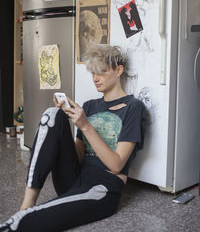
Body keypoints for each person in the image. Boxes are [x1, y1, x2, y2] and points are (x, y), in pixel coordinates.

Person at [0, 44, 146, 232]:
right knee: (52, 115)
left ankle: (22, 215)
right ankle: (27, 202)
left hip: (102, 188)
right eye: (93, 72)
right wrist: (68, 124)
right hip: (74, 179)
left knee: (25, 221)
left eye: (101, 72)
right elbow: (78, 158)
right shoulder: (89, 106)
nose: (95, 78)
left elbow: (117, 165)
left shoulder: (133, 107)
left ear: (118, 70)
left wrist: (85, 125)